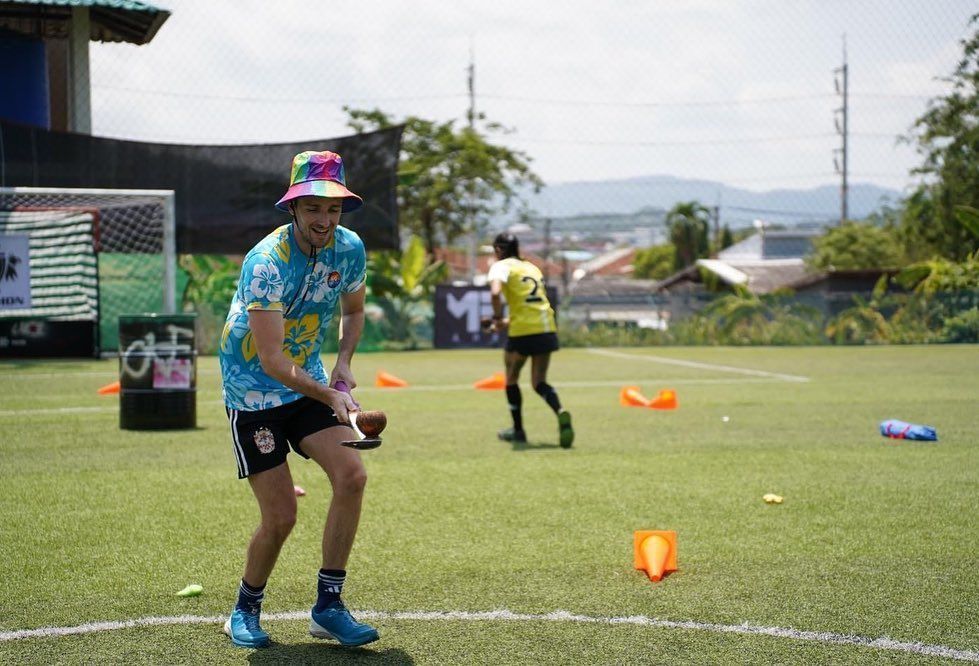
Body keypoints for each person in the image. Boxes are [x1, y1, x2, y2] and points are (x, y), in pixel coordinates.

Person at [218, 150, 379, 648]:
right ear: (293, 207)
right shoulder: (265, 262)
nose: (324, 220)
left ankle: (328, 607)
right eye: (314, 208)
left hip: (307, 379)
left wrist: (344, 363)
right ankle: (244, 610)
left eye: (333, 210)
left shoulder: (349, 249)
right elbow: (269, 361)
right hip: (253, 391)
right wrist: (330, 394)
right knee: (282, 515)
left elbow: (353, 312)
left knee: (352, 475)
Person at [485, 232, 574, 448]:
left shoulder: (501, 266)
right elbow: (529, 306)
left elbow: (495, 294)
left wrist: (496, 318)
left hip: (523, 331)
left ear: (499, 250)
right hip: (546, 327)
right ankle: (560, 410)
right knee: (538, 382)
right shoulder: (531, 267)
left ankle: (518, 431)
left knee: (512, 379)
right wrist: (504, 322)